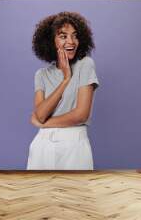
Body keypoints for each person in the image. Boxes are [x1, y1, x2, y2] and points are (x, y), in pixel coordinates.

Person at [27, 11, 99, 170]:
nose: (71, 41)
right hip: (42, 144)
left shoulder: (85, 65)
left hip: (74, 143)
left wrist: (43, 124)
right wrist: (66, 79)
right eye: (63, 36)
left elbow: (81, 115)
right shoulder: (41, 74)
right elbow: (40, 114)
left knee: (75, 193)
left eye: (75, 35)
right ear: (51, 42)